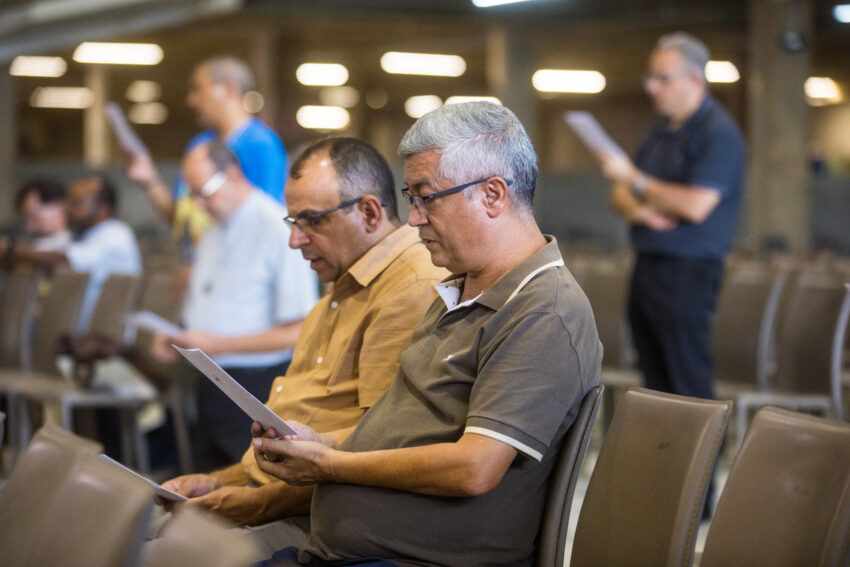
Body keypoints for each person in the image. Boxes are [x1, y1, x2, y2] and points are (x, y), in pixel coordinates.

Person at [251, 101, 603, 567]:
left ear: (493, 195)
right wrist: (321, 441)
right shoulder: (458, 290)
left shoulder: (544, 310)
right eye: (411, 198)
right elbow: (402, 430)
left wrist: (330, 465)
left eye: (426, 198)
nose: (414, 218)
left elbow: (474, 467)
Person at [157, 137, 446, 553]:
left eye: (313, 221)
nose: (296, 240)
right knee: (122, 530)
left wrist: (247, 505)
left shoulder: (408, 289)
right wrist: (219, 482)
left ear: (369, 212)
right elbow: (294, 433)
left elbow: (377, 452)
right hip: (275, 495)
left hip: (318, 514)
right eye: (294, 222)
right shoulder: (339, 290)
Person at [595, 32, 745, 402]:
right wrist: (642, 210)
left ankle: (702, 443)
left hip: (688, 271)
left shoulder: (719, 133)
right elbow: (619, 195)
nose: (652, 87)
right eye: (651, 77)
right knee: (654, 382)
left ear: (694, 80)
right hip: (649, 263)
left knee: (686, 380)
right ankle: (664, 444)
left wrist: (637, 181)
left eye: (663, 78)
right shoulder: (660, 130)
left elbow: (696, 205)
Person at [150, 141, 316, 469]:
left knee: (242, 481)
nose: (198, 204)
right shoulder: (214, 229)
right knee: (202, 481)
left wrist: (220, 345)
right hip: (208, 381)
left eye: (204, 192)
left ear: (233, 174)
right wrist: (179, 336)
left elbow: (300, 331)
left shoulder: (275, 229)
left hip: (254, 386)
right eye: (192, 195)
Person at [125, 55, 287, 249]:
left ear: (228, 89)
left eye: (198, 89)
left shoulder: (262, 146)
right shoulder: (199, 146)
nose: (191, 100)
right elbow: (182, 220)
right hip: (202, 260)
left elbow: (267, 222)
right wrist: (150, 180)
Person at [2, 173, 142, 331]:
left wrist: (11, 249)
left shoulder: (115, 234)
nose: (68, 209)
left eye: (78, 203)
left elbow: (67, 260)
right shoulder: (88, 236)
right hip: (84, 329)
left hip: (103, 335)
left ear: (103, 209)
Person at [14, 178, 71, 251]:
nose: (30, 227)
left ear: (58, 206)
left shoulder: (80, 242)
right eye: (26, 219)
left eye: (34, 218)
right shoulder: (30, 244)